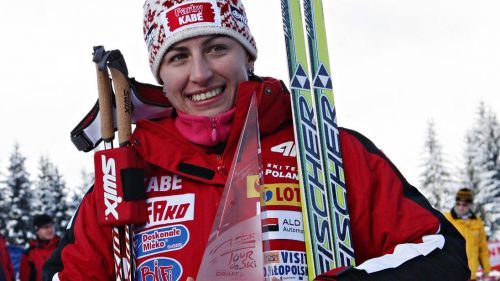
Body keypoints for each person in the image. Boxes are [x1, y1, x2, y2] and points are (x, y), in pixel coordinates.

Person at [44, 0, 470, 280]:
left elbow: (439, 253)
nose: (200, 74)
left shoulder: (324, 148)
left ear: (247, 54)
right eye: (178, 57)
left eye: (216, 48)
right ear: (160, 76)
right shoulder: (127, 172)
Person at [445, 188, 492, 281]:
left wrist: (486, 269)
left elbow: (482, 248)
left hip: (471, 274)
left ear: (470, 205)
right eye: (458, 204)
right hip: (452, 274)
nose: (461, 207)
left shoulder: (477, 222)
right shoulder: (446, 219)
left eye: (464, 205)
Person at [20, 214, 59, 281]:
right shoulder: (29, 253)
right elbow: (25, 277)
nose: (50, 229)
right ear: (37, 230)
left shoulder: (63, 247)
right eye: (45, 227)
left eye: (51, 226)